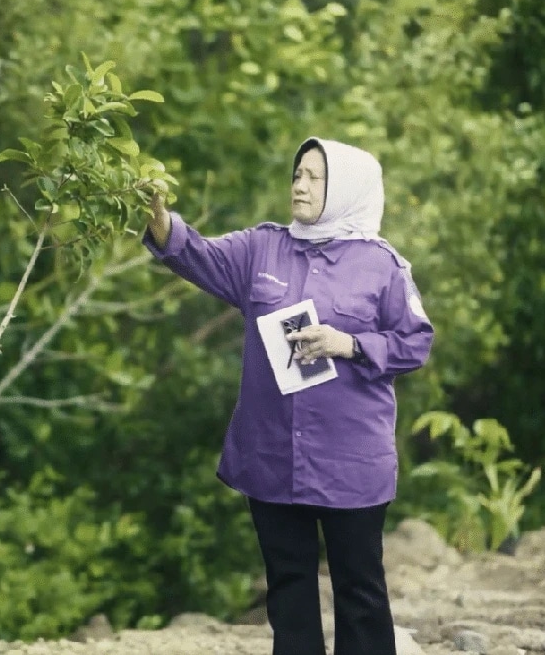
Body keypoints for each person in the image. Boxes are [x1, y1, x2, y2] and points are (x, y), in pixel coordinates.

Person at [141, 137, 434, 655]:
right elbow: (194, 254)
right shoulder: (261, 248)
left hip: (351, 462)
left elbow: (416, 342)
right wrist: (158, 215)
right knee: (288, 589)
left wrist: (348, 344)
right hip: (272, 456)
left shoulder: (382, 264)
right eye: (297, 174)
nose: (299, 185)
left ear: (345, 188)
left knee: (360, 590)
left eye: (315, 177)